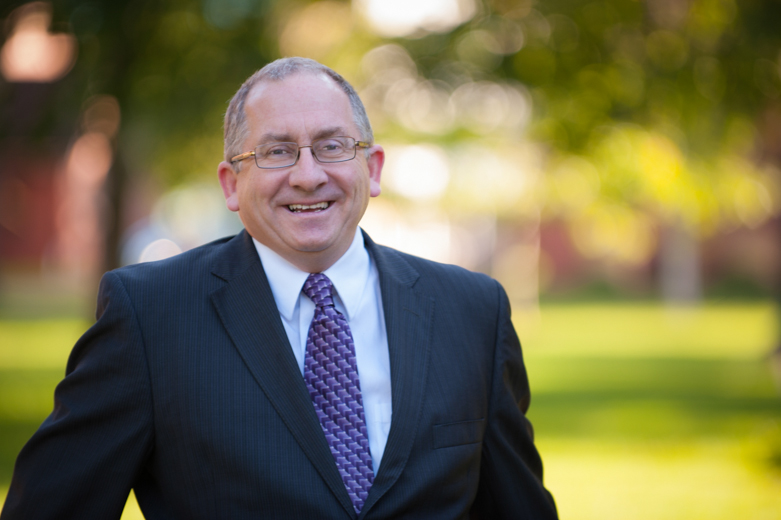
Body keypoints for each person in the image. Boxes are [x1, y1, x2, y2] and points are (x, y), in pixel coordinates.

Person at [1, 57, 557, 519]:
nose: (309, 174)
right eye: (276, 151)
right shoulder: (150, 317)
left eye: (333, 146)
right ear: (231, 184)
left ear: (375, 168)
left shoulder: (473, 312)